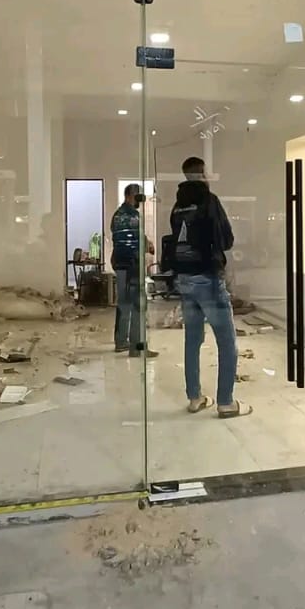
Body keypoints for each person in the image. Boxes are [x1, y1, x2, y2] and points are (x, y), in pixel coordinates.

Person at [168, 157, 251, 417]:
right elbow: (226, 239)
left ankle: (195, 398)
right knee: (226, 341)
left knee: (192, 340)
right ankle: (226, 402)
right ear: (202, 174)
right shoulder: (209, 200)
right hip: (207, 278)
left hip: (185, 279)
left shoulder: (177, 206)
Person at [110, 184, 156, 358]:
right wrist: (147, 245)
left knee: (124, 303)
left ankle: (121, 341)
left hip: (120, 263)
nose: (140, 200)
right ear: (130, 196)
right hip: (132, 264)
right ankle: (136, 346)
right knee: (138, 305)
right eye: (138, 196)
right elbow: (137, 240)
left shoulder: (117, 215)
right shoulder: (133, 216)